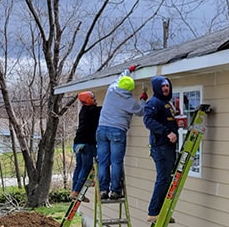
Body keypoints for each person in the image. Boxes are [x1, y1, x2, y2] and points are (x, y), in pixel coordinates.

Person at [96, 66, 147, 200]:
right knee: (116, 162)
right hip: (117, 131)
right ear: (130, 89)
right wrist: (143, 99)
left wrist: (129, 69)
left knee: (103, 162)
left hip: (102, 129)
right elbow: (141, 111)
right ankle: (115, 191)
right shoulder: (129, 101)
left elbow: (120, 76)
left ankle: (103, 190)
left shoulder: (111, 89)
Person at [142, 76, 178, 223]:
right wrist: (167, 132)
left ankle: (162, 211)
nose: (165, 88)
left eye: (167, 86)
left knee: (167, 178)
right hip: (161, 146)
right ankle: (154, 211)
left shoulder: (166, 104)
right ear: (157, 87)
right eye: (162, 86)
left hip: (168, 146)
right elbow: (148, 121)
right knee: (163, 178)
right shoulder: (154, 102)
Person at [69, 91, 101, 203]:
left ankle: (75, 191)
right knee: (86, 167)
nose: (95, 99)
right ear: (88, 100)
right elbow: (105, 110)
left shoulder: (83, 111)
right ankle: (77, 191)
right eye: (93, 98)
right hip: (87, 143)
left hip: (78, 142)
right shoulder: (92, 111)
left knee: (79, 166)